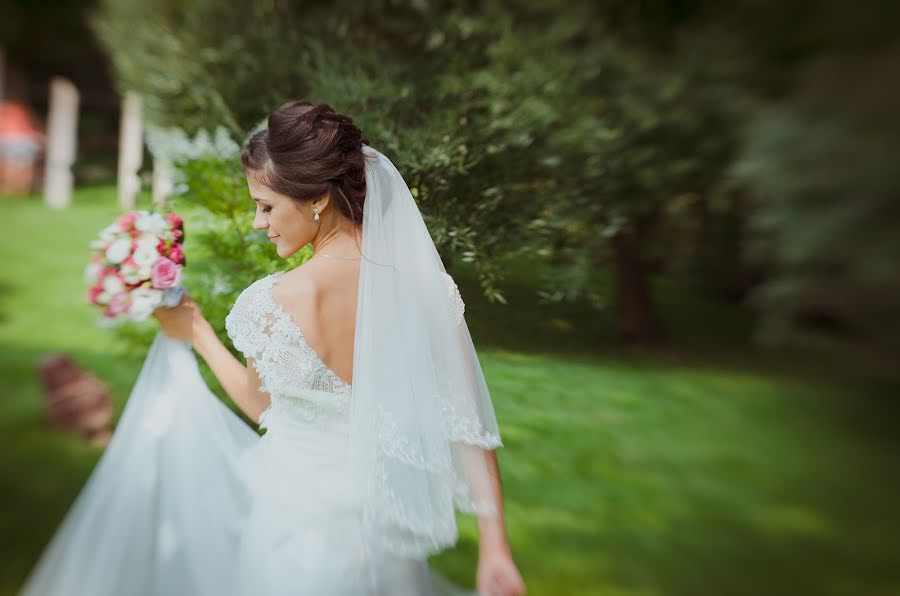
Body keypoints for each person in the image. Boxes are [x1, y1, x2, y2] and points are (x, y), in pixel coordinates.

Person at [154, 101, 525, 596]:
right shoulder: (425, 290)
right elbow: (470, 424)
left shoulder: (272, 303)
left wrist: (197, 332)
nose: (257, 223)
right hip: (389, 541)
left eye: (266, 205)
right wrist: (495, 549)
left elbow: (260, 404)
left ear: (315, 199)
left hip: (294, 541)